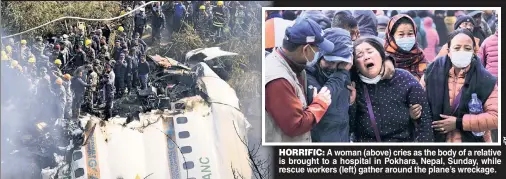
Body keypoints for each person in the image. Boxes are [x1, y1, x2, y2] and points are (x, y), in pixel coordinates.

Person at [349, 37, 434, 142]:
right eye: (360, 55)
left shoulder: (404, 79)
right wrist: (351, 104)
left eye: (370, 51)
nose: (366, 57)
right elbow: (348, 127)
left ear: (381, 55)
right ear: (356, 64)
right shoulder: (354, 86)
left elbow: (425, 122)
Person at [421, 29, 498, 142]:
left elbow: (496, 117)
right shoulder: (431, 72)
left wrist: (459, 123)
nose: (462, 52)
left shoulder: (486, 79)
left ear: (473, 51)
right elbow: (419, 104)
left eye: (467, 48)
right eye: (457, 48)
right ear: (449, 51)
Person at [265, 18, 334, 142]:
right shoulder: (278, 79)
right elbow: (295, 125)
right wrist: (320, 105)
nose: (318, 54)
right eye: (318, 50)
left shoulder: (295, 65)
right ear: (306, 49)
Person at [306, 28, 356, 142]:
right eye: (330, 61)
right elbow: (325, 101)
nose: (334, 67)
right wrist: (342, 72)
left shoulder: (347, 70)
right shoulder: (307, 74)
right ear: (320, 55)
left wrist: (352, 104)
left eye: (340, 63)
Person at [384, 14, 428, 81]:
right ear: (392, 36)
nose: (406, 38)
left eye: (410, 34)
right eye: (401, 34)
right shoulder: (384, 59)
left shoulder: (420, 57)